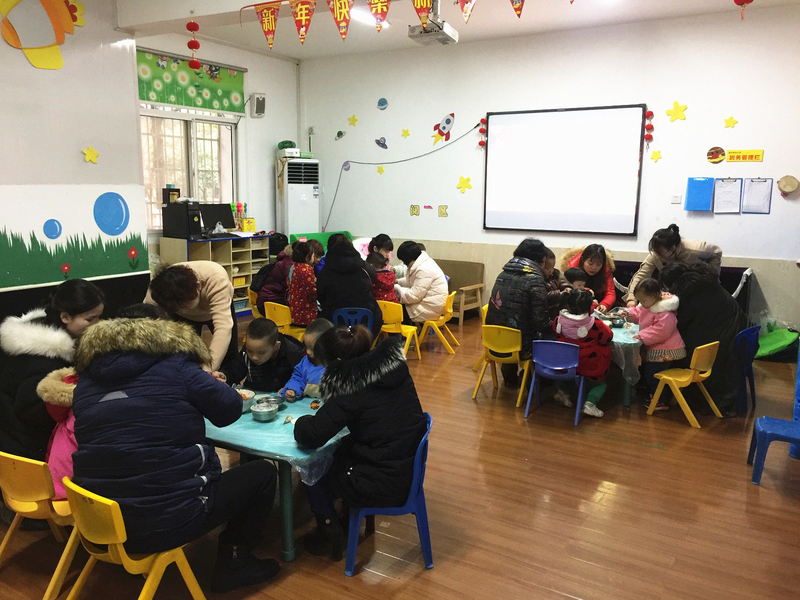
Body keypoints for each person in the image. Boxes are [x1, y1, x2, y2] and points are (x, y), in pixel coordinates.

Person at [71, 306, 280, 593]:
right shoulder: (176, 366)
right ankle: (235, 562)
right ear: (166, 333)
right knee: (262, 474)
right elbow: (230, 408)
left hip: (101, 525)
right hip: (166, 521)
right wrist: (204, 383)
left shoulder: (85, 380)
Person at [293, 327, 426, 561]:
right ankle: (344, 517)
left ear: (336, 363)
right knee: (339, 449)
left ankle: (327, 527)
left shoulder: (349, 386)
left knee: (314, 466)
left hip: (381, 481)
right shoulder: (392, 368)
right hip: (408, 467)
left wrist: (300, 421)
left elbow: (313, 435)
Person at [0, 279, 104, 460]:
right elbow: (32, 413)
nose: (97, 324)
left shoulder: (37, 335)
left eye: (99, 317)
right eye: (90, 319)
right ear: (65, 317)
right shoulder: (44, 362)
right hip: (25, 454)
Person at [659, 262, 748, 416]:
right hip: (741, 338)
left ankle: (661, 395)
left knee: (669, 348)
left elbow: (677, 325)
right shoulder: (706, 284)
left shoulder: (688, 296)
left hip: (720, 351)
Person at [145, 261, 237, 371]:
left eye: (185, 306)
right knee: (186, 354)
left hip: (215, 307)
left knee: (229, 356)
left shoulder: (217, 279)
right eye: (177, 308)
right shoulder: (158, 289)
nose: (182, 309)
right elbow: (146, 321)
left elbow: (223, 328)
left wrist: (208, 369)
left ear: (198, 287)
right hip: (184, 317)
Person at [485, 238, 552, 387]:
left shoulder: (502, 274)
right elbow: (541, 323)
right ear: (540, 260)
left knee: (510, 324)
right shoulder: (535, 279)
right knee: (553, 336)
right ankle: (531, 380)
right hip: (520, 347)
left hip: (493, 341)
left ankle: (510, 378)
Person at [624, 278, 686, 411]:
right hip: (658, 348)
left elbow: (661, 331)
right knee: (651, 373)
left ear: (655, 295)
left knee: (654, 375)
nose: (642, 303)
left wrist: (642, 335)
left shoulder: (665, 312)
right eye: (640, 301)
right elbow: (639, 312)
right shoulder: (649, 305)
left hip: (666, 350)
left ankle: (662, 400)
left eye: (643, 300)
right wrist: (628, 313)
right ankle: (656, 396)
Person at [625, 224, 722, 307]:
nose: (658, 256)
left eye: (661, 253)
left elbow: (717, 252)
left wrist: (709, 277)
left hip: (697, 288)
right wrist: (632, 299)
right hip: (674, 290)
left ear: (673, 248)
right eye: (656, 251)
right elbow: (641, 275)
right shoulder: (656, 254)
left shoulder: (694, 249)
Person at [553, 289, 613, 418]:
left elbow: (556, 332)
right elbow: (607, 337)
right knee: (600, 384)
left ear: (567, 305)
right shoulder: (594, 324)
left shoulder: (558, 320)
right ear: (589, 306)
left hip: (566, 363)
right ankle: (590, 404)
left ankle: (562, 392)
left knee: (567, 375)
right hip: (587, 365)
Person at [316, 237, 383, 338]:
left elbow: (320, 295)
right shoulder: (364, 267)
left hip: (335, 324)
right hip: (365, 321)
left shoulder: (325, 273)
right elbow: (374, 278)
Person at [217, 318, 304, 392]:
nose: (254, 357)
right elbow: (235, 368)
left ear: (276, 346)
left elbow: (302, 378)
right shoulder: (247, 352)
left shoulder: (293, 354)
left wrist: (291, 389)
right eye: (250, 351)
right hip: (255, 393)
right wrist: (224, 375)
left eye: (261, 353)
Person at [394, 241, 448, 325]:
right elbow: (411, 281)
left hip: (429, 309)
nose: (404, 263)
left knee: (398, 306)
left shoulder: (424, 269)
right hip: (431, 304)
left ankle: (405, 332)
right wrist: (397, 281)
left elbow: (414, 296)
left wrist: (397, 288)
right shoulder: (424, 263)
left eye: (404, 261)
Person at [280, 318, 334, 401]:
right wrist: (292, 390)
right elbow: (298, 378)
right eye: (306, 346)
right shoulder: (305, 362)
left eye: (312, 348)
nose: (308, 352)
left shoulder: (336, 364)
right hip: (306, 405)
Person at [559, 244, 617, 312]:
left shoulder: (605, 271)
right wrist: (587, 293)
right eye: (590, 263)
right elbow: (570, 291)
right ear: (583, 260)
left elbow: (610, 292)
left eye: (598, 264)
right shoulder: (572, 268)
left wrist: (604, 305)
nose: (594, 268)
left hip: (597, 305)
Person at [287, 241, 319, 327]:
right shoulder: (307, 269)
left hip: (294, 310)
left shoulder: (294, 266)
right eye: (313, 255)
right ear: (307, 257)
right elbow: (313, 290)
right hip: (306, 313)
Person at [256, 242, 294, 310]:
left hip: (264, 299)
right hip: (271, 302)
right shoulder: (289, 265)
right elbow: (292, 286)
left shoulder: (282, 261)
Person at [543, 247, 569, 320]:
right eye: (547, 268)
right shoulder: (539, 278)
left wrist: (567, 288)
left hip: (558, 308)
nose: (550, 271)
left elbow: (563, 281)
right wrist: (559, 294)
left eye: (552, 267)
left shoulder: (555, 273)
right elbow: (544, 295)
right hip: (547, 311)